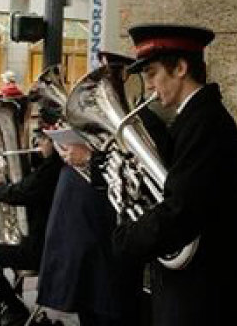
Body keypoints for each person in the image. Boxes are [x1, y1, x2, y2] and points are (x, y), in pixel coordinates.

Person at [112, 24, 237, 325]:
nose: (148, 85)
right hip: (193, 289)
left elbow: (181, 211)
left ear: (179, 67)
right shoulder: (192, 119)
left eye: (152, 73)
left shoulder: (205, 122)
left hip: (205, 295)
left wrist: (128, 239)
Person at [35, 51, 166, 326]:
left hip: (111, 241)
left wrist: (89, 159)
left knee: (114, 314)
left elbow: (139, 180)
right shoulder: (92, 124)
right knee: (92, 312)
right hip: (87, 243)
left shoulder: (146, 122)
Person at [0, 127, 63, 325]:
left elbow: (19, 193)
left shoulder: (51, 170)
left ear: (54, 143)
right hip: (45, 243)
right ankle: (12, 304)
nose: (38, 144)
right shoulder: (54, 167)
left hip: (42, 250)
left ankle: (14, 307)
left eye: (43, 139)